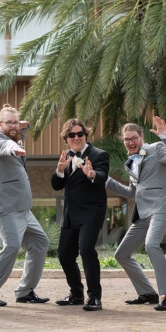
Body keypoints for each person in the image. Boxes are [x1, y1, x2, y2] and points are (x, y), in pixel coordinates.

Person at [106, 117, 166, 311]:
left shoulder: (155, 149)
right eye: (126, 139)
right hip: (142, 213)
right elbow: (132, 192)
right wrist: (104, 180)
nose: (130, 142)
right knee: (122, 254)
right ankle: (147, 292)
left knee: (151, 244)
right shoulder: (130, 162)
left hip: (161, 208)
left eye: (133, 138)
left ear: (141, 137)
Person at [0, 104, 50, 306]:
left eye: (15, 122)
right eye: (8, 122)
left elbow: (15, 139)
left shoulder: (13, 135)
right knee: (11, 245)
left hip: (22, 207)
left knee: (39, 242)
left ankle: (25, 291)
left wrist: (23, 130)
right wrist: (15, 147)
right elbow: (5, 146)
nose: (12, 126)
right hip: (4, 206)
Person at [51, 119, 109, 312]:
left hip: (91, 213)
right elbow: (57, 185)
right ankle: (76, 294)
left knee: (86, 250)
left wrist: (91, 174)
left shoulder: (99, 155)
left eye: (79, 134)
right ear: (66, 138)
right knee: (64, 255)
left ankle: (94, 297)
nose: (76, 138)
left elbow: (101, 177)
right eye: (71, 135)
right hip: (70, 214)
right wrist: (59, 171)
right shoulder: (65, 157)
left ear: (86, 135)